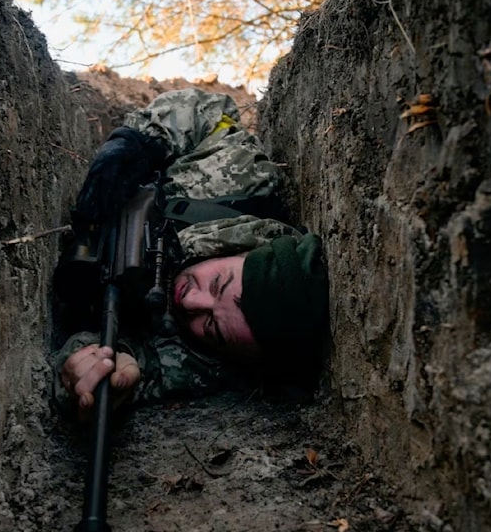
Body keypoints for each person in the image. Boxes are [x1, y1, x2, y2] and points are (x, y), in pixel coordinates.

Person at [51, 89, 329, 418]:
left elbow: (135, 367)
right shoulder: (245, 181)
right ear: (243, 249)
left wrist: (100, 366)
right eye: (217, 284)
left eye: (211, 326)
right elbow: (211, 108)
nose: (191, 303)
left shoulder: (214, 361)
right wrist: (138, 143)